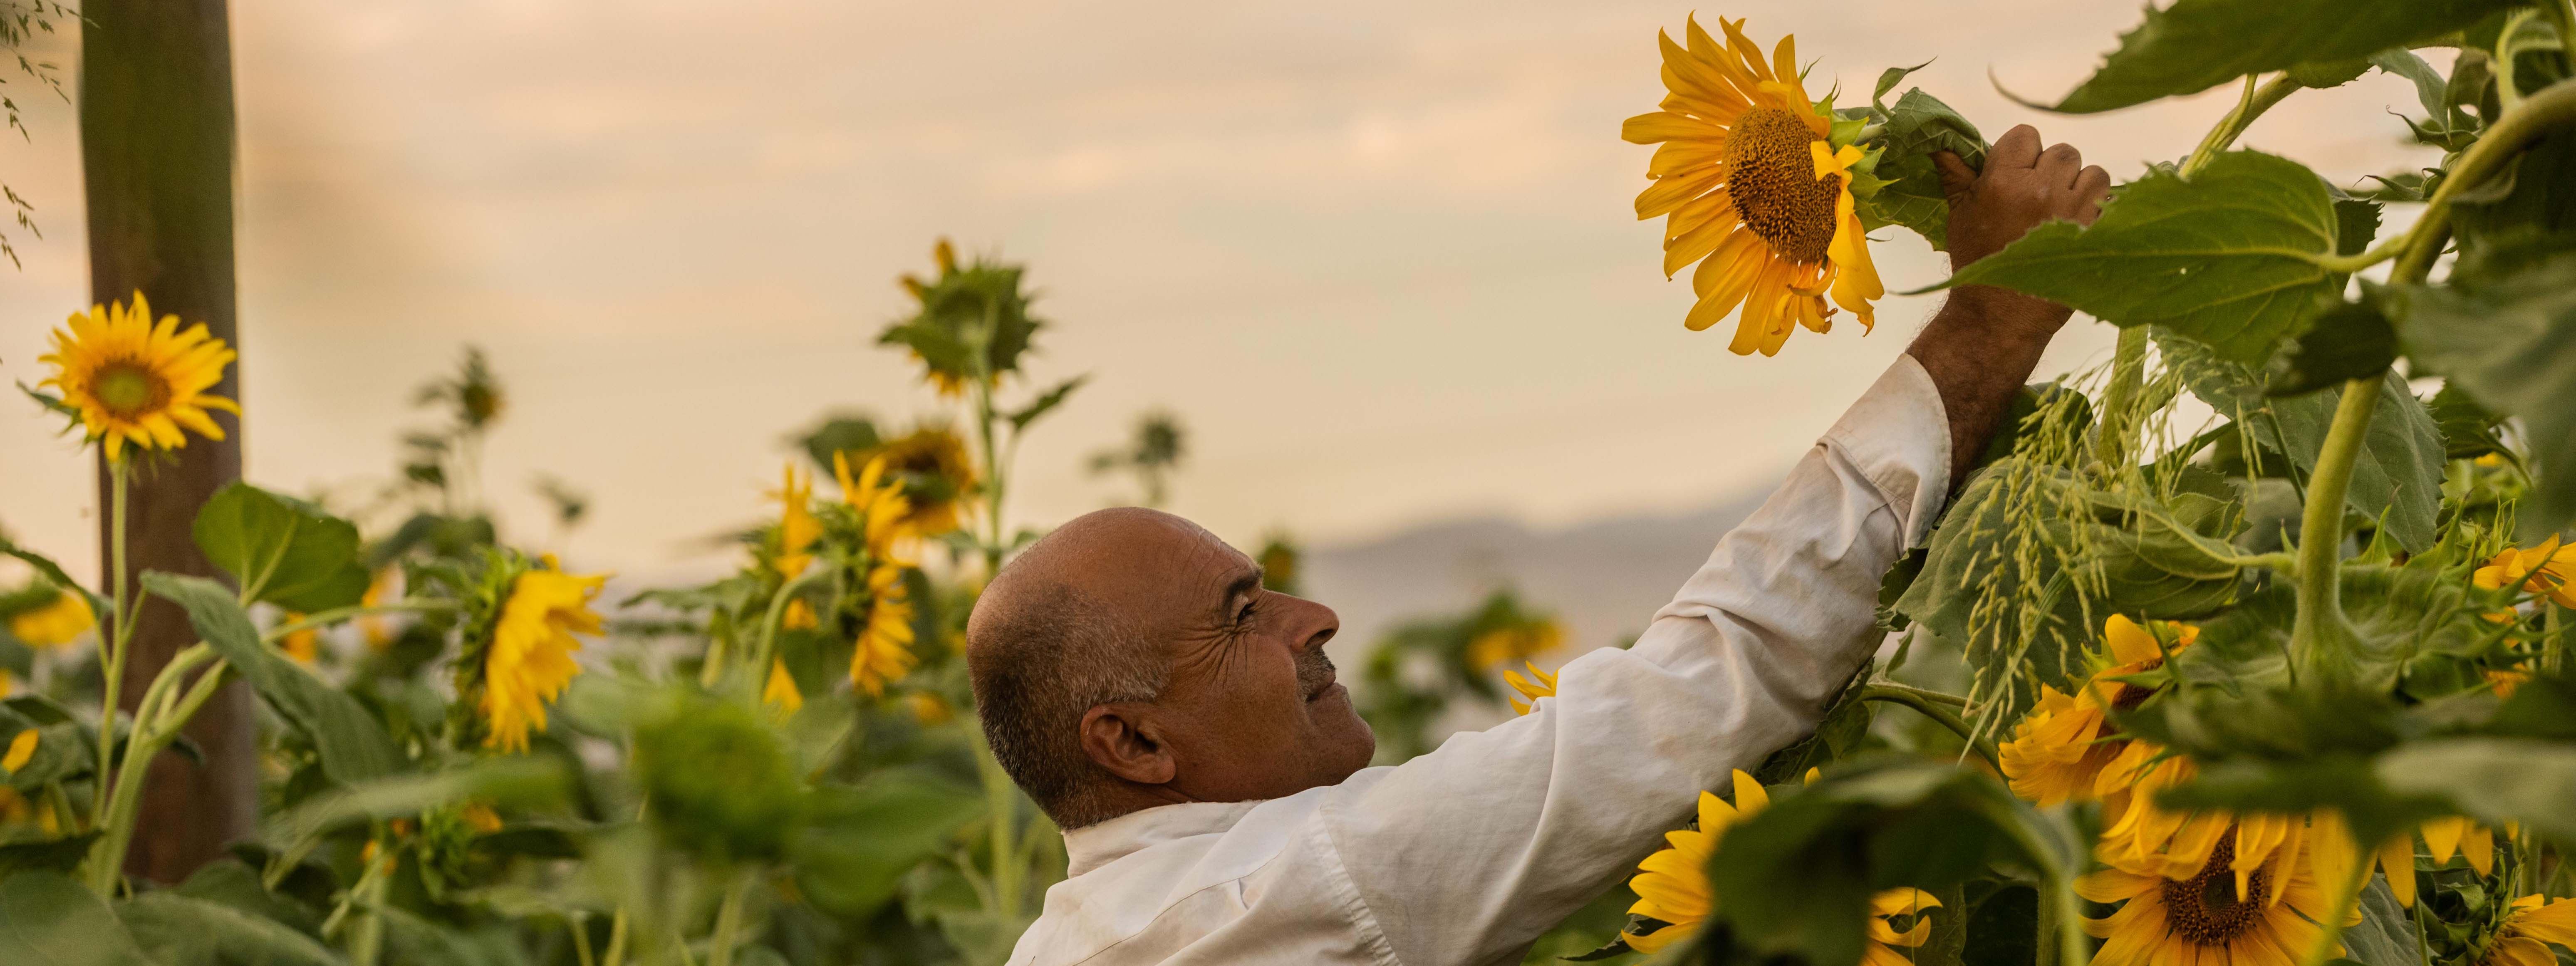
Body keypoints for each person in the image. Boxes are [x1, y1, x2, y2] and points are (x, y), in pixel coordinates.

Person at [966, 126, 2112, 966]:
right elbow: (1705, 683)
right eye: (1240, 616)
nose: (1311, 619)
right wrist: (1995, 316)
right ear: (1130, 740)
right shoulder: (1283, 889)